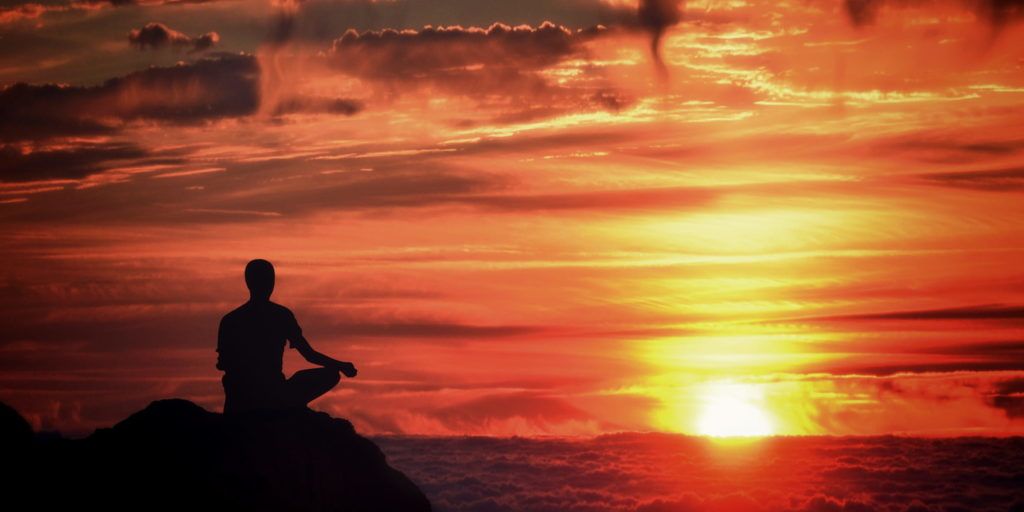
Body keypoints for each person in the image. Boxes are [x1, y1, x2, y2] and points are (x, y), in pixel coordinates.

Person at [216, 259, 357, 415]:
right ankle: (287, 408)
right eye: (266, 280)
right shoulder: (281, 315)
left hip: (241, 397)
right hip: (272, 395)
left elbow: (222, 364)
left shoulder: (230, 320)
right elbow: (309, 355)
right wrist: (341, 366)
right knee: (331, 374)